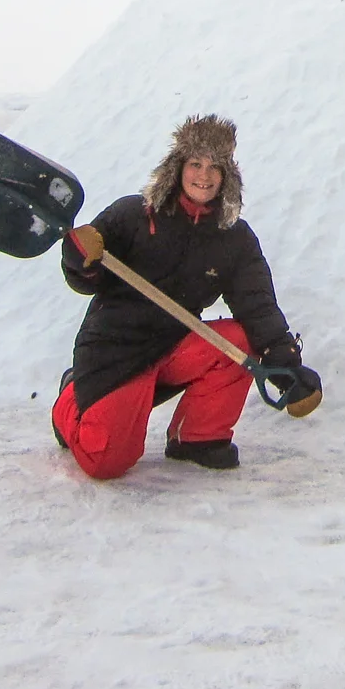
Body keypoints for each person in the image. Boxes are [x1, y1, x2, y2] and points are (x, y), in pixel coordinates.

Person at [49, 114, 307, 478]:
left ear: (228, 175)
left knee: (240, 340)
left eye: (215, 167)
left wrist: (287, 365)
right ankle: (69, 401)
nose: (204, 176)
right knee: (106, 462)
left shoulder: (234, 238)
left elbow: (258, 305)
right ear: (178, 167)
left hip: (175, 343)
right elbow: (87, 276)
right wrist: (79, 260)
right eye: (196, 164)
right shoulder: (133, 214)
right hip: (116, 350)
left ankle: (197, 438)